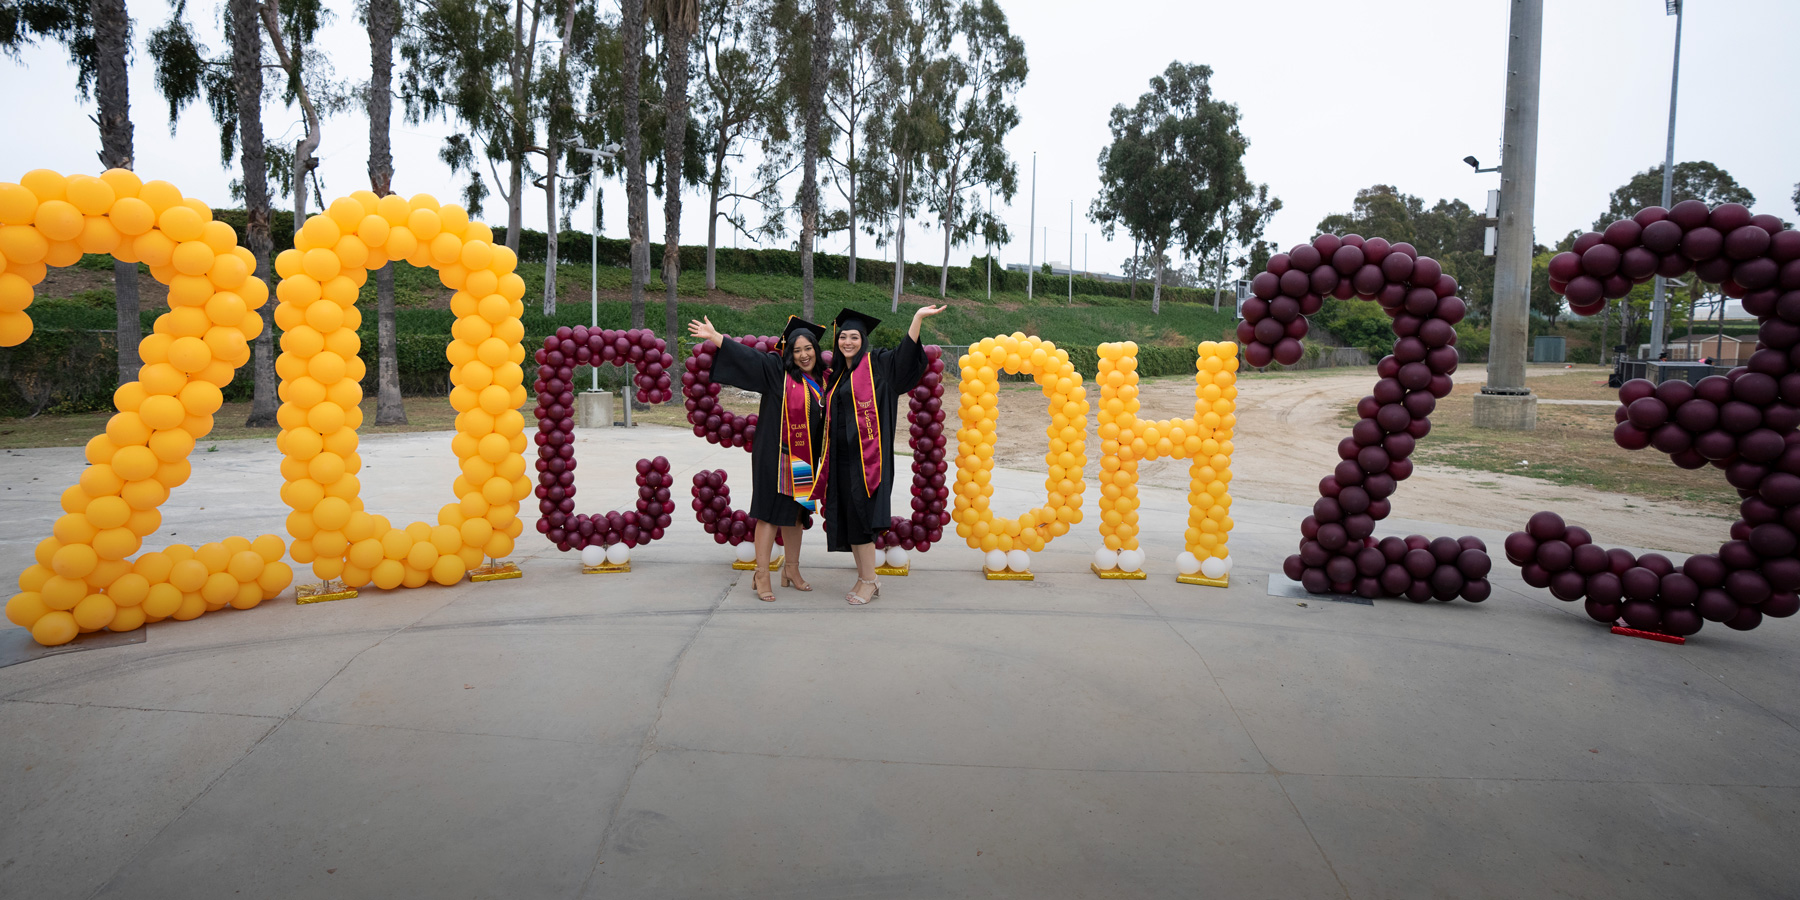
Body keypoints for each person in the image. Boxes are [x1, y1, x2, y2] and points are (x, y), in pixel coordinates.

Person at [686, 315, 828, 602]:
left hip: (805, 458)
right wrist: (717, 338)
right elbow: (749, 357)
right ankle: (761, 573)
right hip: (774, 458)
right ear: (789, 353)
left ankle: (791, 570)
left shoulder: (823, 380)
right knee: (769, 514)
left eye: (808, 348)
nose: (803, 355)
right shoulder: (778, 371)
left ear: (816, 349)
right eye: (797, 350)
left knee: (797, 516)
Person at [820, 305, 946, 604]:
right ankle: (865, 577)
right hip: (840, 461)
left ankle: (870, 580)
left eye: (854, 337)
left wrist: (916, 320)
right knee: (851, 522)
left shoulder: (877, 366)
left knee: (863, 522)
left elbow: (904, 358)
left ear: (863, 340)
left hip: (868, 462)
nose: (847, 342)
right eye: (843, 337)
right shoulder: (838, 375)